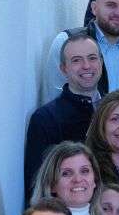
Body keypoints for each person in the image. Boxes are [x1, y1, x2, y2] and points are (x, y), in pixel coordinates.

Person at [24, 31, 102, 200]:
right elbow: (38, 188)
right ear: (63, 69)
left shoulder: (114, 113)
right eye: (76, 60)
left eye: (92, 58)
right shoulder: (45, 119)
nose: (86, 66)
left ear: (101, 63)